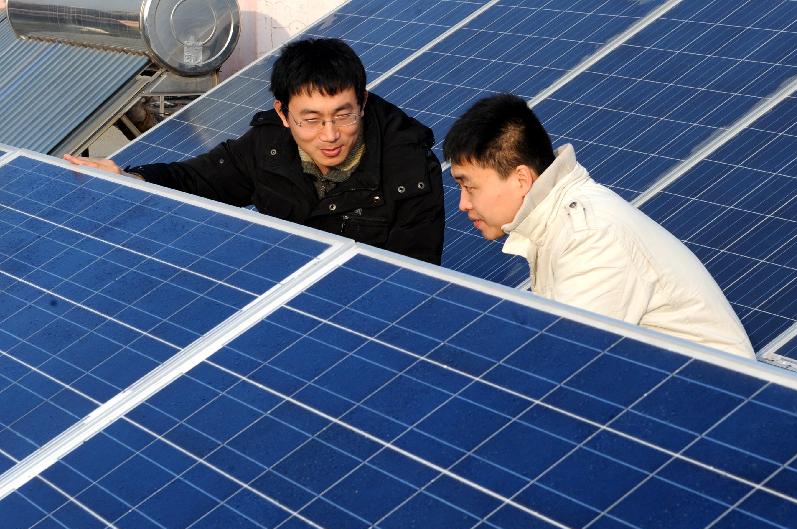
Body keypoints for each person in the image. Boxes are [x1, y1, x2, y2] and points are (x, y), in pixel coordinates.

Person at [65, 38, 445, 264]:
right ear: (283, 113)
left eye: (342, 116)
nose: (330, 135)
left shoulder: (407, 170)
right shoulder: (268, 147)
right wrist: (131, 179)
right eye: (310, 120)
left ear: (362, 103)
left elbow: (412, 279)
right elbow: (197, 178)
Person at [443, 94, 754, 358]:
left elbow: (569, 364)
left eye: (470, 187)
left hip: (716, 413)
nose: (463, 204)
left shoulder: (590, 236)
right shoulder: (558, 223)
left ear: (522, 179)